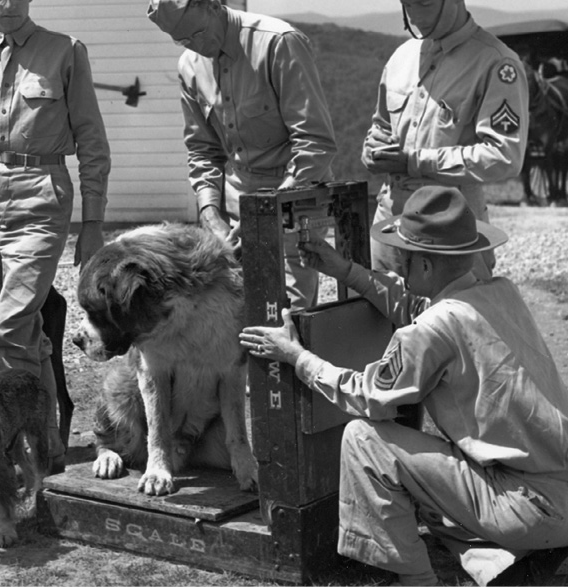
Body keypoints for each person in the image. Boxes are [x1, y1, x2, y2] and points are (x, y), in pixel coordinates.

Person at [240, 185, 568, 586]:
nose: (399, 267)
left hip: (525, 506)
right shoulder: (500, 292)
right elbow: (421, 308)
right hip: (555, 496)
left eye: (404, 260)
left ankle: (417, 582)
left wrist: (295, 356)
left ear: (426, 266)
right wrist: (344, 270)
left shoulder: (436, 327)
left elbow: (366, 396)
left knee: (364, 441)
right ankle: (507, 566)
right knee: (436, 486)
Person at [0, 0, 110, 509]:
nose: (10, 4)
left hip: (42, 195)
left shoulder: (65, 52)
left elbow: (92, 142)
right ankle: (48, 453)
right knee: (30, 337)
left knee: (9, 330)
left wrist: (93, 222)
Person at [147, 0, 337, 309]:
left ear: (213, 5)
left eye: (197, 34)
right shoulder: (190, 65)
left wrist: (268, 214)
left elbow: (315, 143)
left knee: (289, 316)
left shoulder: (278, 43)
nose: (195, 47)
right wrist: (210, 214)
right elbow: (202, 151)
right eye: (182, 40)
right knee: (243, 316)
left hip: (296, 201)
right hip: (239, 212)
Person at [362, 0, 528, 278]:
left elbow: (504, 157)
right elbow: (380, 126)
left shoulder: (495, 63)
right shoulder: (401, 58)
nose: (415, 17)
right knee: (382, 326)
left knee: (448, 329)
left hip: (451, 240)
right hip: (390, 230)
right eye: (407, 6)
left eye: (424, 4)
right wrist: (373, 148)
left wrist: (415, 161)